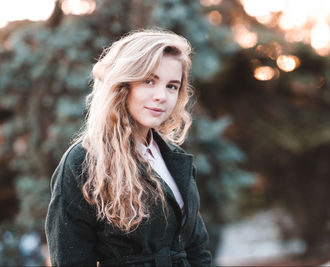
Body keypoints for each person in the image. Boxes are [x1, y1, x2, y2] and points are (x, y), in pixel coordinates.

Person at [45, 29, 212, 266]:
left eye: (172, 86)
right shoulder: (83, 161)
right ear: (124, 84)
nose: (161, 96)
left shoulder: (175, 160)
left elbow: (197, 249)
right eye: (149, 81)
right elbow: (71, 258)